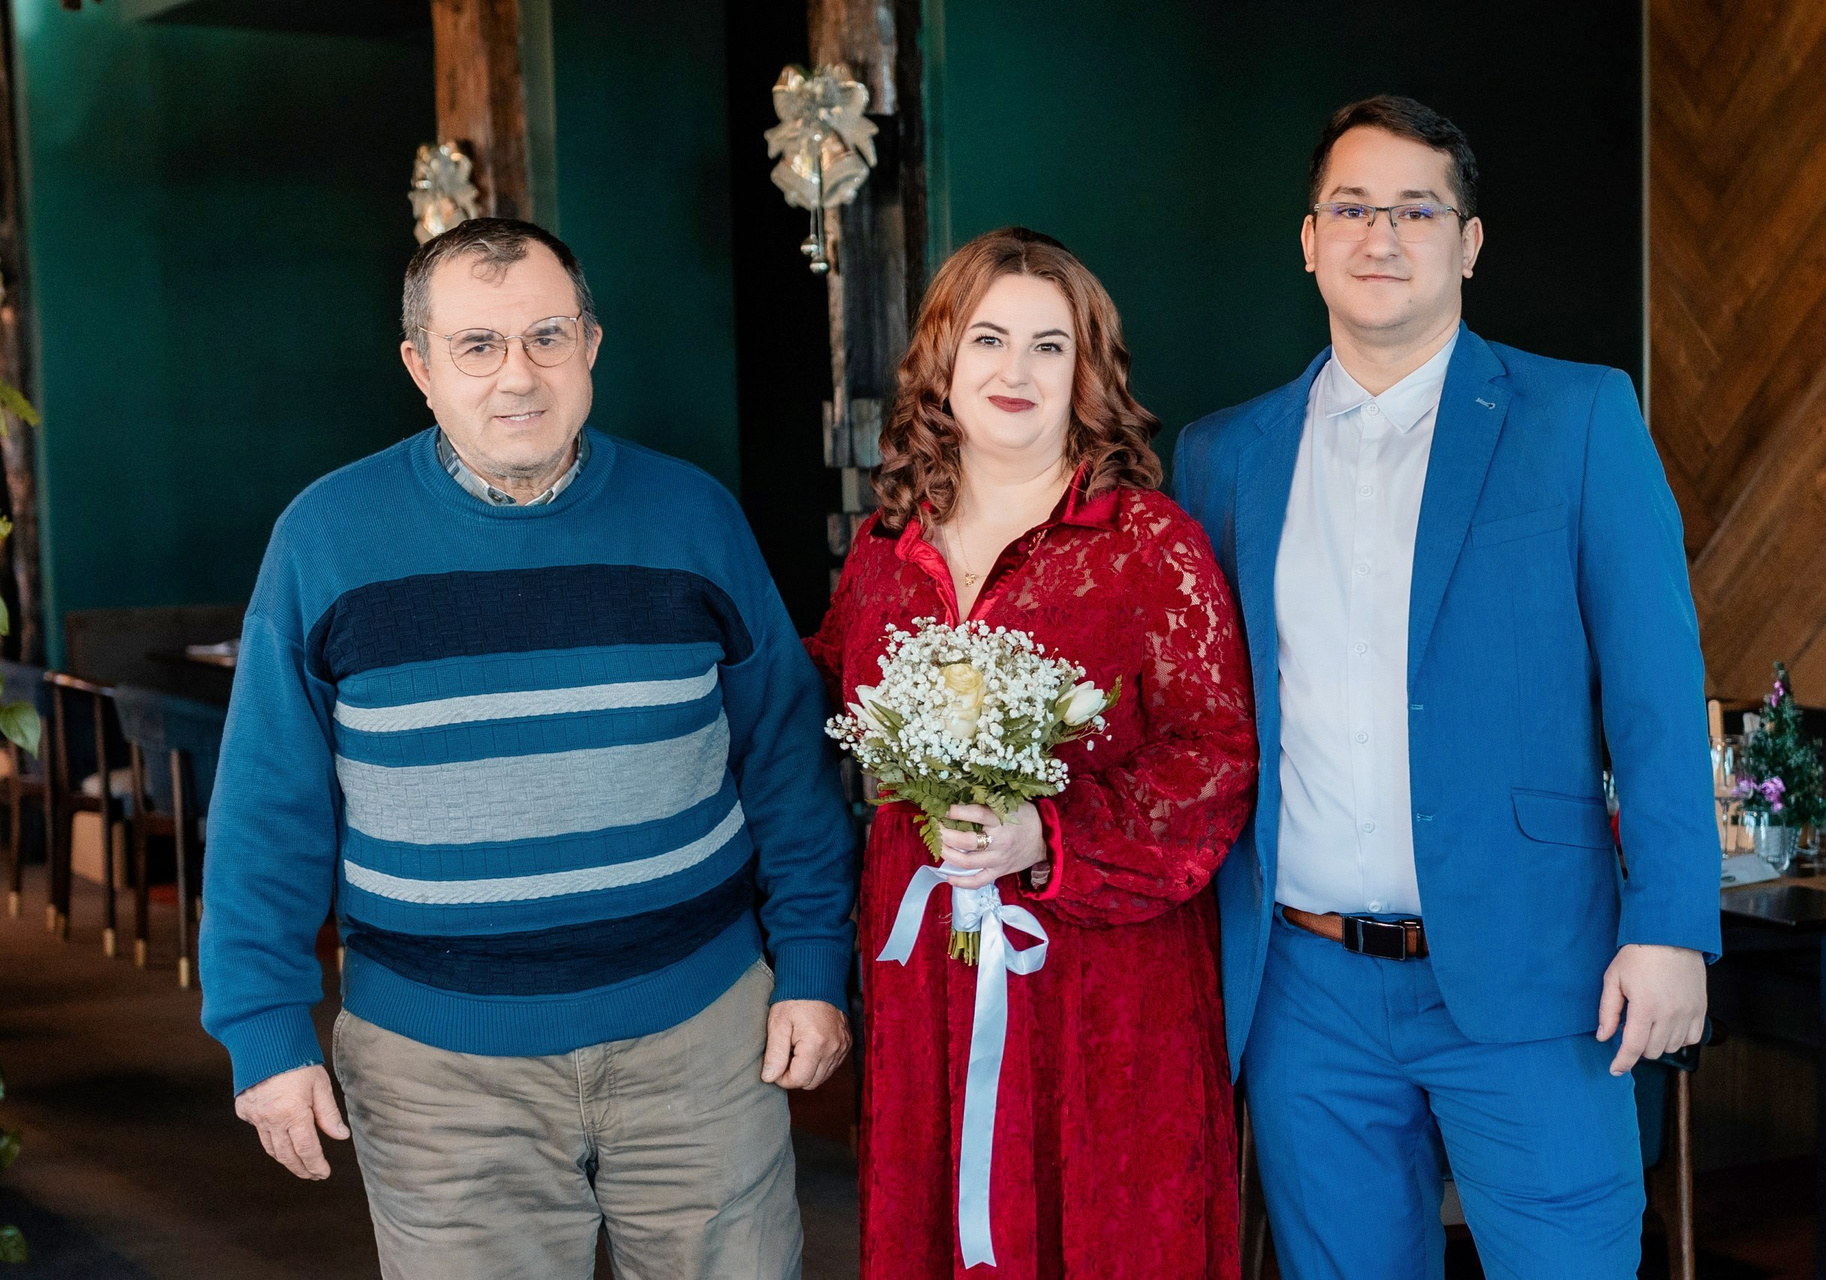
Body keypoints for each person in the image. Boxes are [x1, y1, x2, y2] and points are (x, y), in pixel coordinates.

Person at [198, 217, 857, 1280]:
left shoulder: (695, 516)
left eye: (547, 337)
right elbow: (266, 810)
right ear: (419, 366)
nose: (518, 375)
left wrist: (816, 964)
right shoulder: (325, 538)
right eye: (477, 345)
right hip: (438, 1068)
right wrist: (264, 1028)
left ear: (589, 344)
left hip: (700, 1036)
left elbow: (785, 760)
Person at [1173, 96, 1720, 1278]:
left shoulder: (1579, 417)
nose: (1382, 235)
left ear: (1468, 243)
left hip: (1539, 971)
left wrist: (1673, 922)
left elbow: (1658, 695)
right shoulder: (1219, 457)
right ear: (1308, 240)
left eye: (1417, 210)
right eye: (1352, 208)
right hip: (1305, 989)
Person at [806, 226, 1258, 1279]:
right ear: (942, 359)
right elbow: (825, 701)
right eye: (989, 339)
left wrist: (1046, 835)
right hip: (927, 966)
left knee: (1104, 1225)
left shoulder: (1147, 543)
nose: (1016, 370)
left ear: (1086, 371)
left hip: (1103, 978)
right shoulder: (886, 548)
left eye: (1049, 346)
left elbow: (1216, 756)